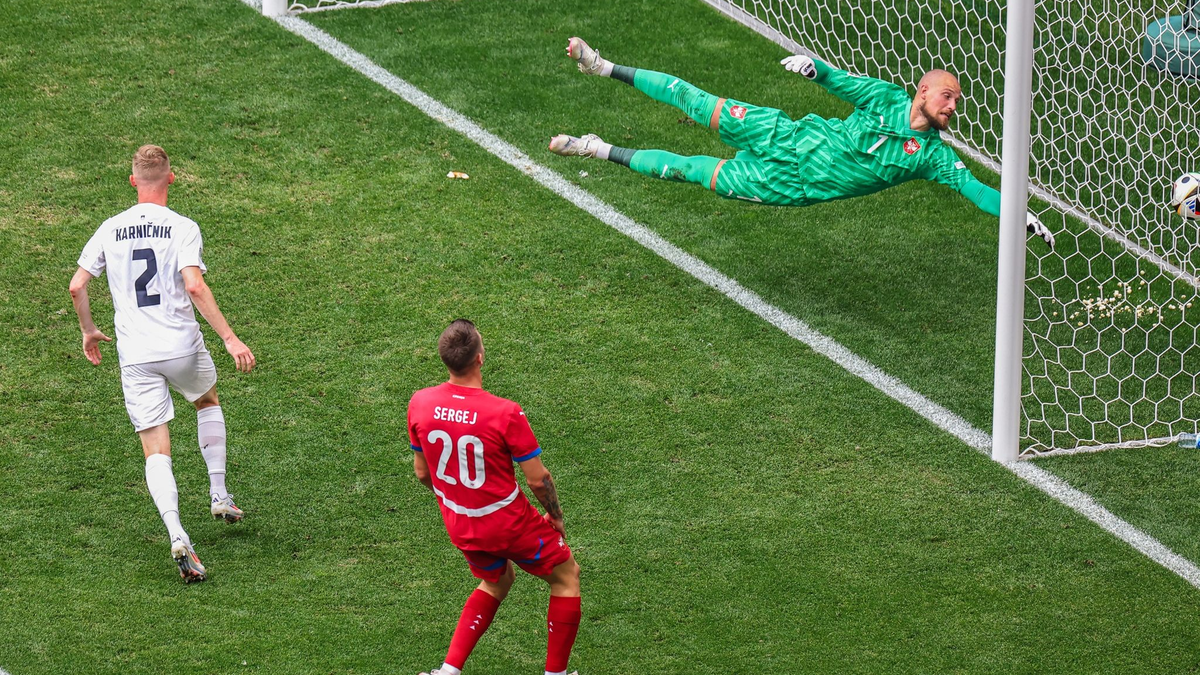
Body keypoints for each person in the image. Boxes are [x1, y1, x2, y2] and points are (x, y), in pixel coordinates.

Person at [549, 38, 1055, 248]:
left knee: (690, 169)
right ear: (923, 91)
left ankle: (595, 148)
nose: (953, 106)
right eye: (948, 96)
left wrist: (1017, 212)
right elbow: (843, 82)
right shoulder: (885, 97)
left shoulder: (933, 157)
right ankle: (602, 65)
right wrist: (816, 69)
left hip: (789, 184)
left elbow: (975, 191)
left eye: (957, 101)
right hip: (785, 133)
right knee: (694, 99)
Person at [68, 144, 256, 583]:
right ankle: (218, 493)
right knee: (206, 401)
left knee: (155, 448)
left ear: (132, 181)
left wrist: (89, 330)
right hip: (182, 347)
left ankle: (177, 534)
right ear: (171, 178)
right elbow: (194, 285)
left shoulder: (110, 228)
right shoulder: (182, 226)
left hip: (136, 356)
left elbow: (77, 285)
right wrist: (230, 338)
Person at [407, 320, 582, 675]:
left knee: (496, 580)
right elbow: (539, 479)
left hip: (460, 523)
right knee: (566, 576)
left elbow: (423, 473)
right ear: (480, 358)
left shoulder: (420, 402)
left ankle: (448, 672)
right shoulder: (505, 412)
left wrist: (459, 498)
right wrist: (556, 515)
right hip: (508, 522)